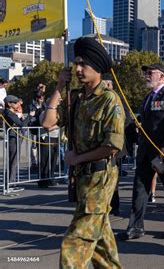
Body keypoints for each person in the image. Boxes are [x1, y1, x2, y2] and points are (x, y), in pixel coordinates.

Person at [42, 37, 125, 268]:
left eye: (83, 64)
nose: (77, 69)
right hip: (83, 180)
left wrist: (76, 158)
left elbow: (112, 146)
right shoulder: (77, 99)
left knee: (74, 246)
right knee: (102, 249)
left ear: (97, 68)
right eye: (75, 63)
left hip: (100, 180)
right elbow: (48, 123)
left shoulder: (110, 101)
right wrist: (59, 87)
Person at [118, 62, 164, 241]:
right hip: (146, 152)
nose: (147, 75)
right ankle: (135, 227)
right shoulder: (148, 98)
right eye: (146, 73)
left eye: (150, 73)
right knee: (139, 190)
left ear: (162, 76)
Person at [3, 95, 34, 191]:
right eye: (15, 102)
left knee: (15, 161)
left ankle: (12, 182)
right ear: (9, 104)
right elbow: (21, 124)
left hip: (16, 137)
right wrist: (30, 116)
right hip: (13, 138)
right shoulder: (8, 113)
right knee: (13, 161)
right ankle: (10, 184)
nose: (17, 104)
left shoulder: (12, 113)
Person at [37, 98, 61, 188]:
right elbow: (46, 125)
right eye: (57, 102)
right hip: (46, 137)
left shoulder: (57, 113)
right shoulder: (44, 113)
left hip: (55, 137)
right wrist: (56, 124)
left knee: (53, 159)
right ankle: (43, 180)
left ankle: (51, 178)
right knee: (45, 160)